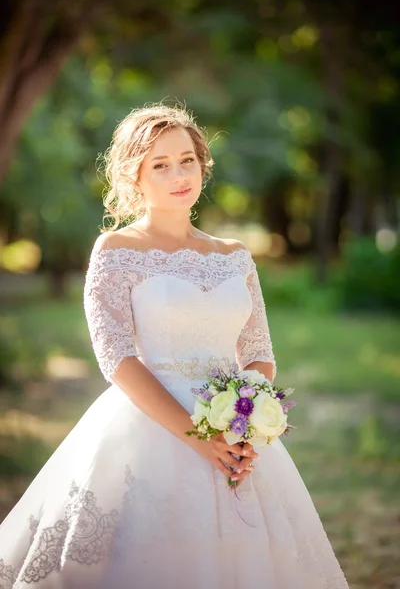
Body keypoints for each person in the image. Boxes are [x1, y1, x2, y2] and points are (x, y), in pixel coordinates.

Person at [0, 103, 349, 588]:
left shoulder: (235, 256)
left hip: (234, 433)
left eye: (187, 159)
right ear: (134, 176)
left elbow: (259, 351)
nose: (178, 174)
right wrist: (198, 437)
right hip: (150, 429)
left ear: (202, 164)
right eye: (160, 165)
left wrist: (244, 423)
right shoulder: (117, 251)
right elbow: (116, 357)